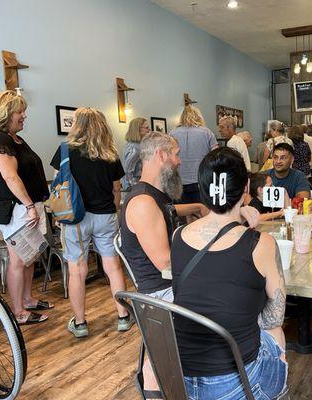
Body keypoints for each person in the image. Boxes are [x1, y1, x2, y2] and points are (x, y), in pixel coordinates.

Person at [171, 147, 288, 399]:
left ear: (203, 190)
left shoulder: (178, 236)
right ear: (246, 188)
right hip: (232, 384)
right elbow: (275, 317)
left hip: (177, 377)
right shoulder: (262, 243)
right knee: (273, 331)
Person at [120, 131, 210, 392]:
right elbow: (166, 264)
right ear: (161, 155)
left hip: (170, 288)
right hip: (161, 295)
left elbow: (168, 211)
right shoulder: (143, 203)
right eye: (176, 154)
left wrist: (197, 207)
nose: (180, 161)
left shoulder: (155, 196)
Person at [50, 107, 130, 338]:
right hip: (106, 215)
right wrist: (112, 211)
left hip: (75, 217)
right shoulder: (110, 153)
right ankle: (123, 316)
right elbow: (117, 189)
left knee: (77, 271)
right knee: (113, 267)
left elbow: (58, 184)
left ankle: (81, 322)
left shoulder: (65, 150)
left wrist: (58, 215)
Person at [0, 90, 53, 325]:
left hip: (30, 205)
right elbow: (11, 178)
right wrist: (29, 205)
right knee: (18, 260)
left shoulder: (14, 139)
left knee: (30, 257)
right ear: (5, 113)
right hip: (17, 209)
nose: (24, 116)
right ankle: (19, 312)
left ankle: (28, 299)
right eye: (19, 111)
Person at [170, 104, 218, 203]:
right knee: (202, 211)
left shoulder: (172, 134)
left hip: (179, 181)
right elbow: (215, 157)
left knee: (184, 213)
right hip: (201, 180)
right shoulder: (207, 133)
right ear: (198, 116)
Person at [121, 117, 150, 191]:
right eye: (147, 128)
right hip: (133, 187)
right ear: (138, 129)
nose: (149, 130)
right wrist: (135, 187)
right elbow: (127, 171)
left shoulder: (133, 145)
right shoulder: (134, 149)